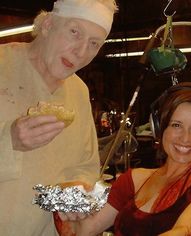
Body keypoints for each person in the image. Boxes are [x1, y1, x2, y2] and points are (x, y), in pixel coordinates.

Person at [0, 0, 118, 235]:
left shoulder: (79, 92)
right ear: (48, 24)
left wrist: (77, 190)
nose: (81, 52)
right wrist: (9, 141)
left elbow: (85, 166)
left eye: (94, 44)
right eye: (75, 32)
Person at [59, 82, 191, 235]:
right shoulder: (132, 179)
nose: (185, 137)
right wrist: (65, 198)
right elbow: (86, 229)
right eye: (176, 125)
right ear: (160, 129)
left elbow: (184, 231)